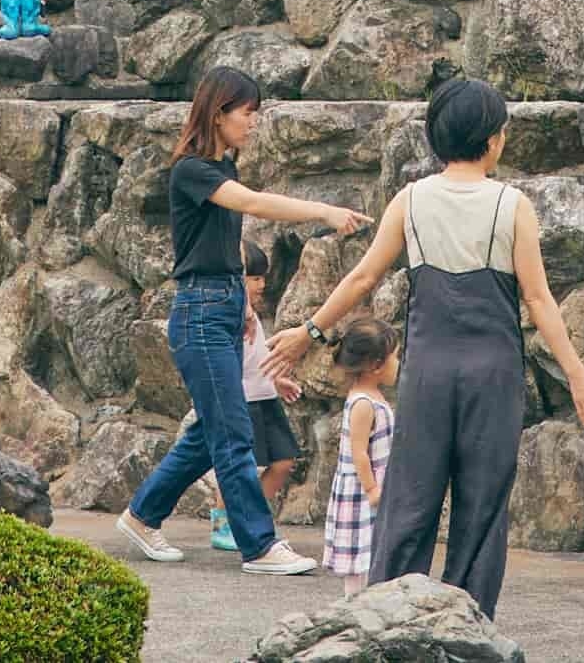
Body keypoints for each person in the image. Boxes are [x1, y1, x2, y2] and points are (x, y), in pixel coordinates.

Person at [263, 78, 584, 619]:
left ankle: (384, 623)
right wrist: (578, 374)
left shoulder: (411, 199)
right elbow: (539, 300)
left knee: (409, 501)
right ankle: (467, 629)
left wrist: (308, 332)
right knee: (481, 510)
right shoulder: (511, 205)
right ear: (494, 139)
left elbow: (361, 279)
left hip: (426, 373)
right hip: (493, 376)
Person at [119, 68, 369, 578]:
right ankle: (258, 545)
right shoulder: (192, 170)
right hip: (200, 313)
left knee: (209, 432)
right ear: (219, 113)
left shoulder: (221, 166)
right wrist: (323, 211)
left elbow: (227, 244)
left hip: (224, 308)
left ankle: (141, 516)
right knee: (233, 434)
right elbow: (253, 204)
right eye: (247, 113)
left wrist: (247, 310)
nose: (254, 123)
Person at [202, 242, 302, 554]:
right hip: (242, 399)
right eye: (253, 277)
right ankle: (224, 524)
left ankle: (250, 519)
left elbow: (256, 359)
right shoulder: (228, 317)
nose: (261, 284)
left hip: (264, 398)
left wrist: (276, 379)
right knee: (238, 465)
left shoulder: (252, 318)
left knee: (283, 461)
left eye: (262, 278)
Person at [322, 319, 399, 597]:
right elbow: (359, 453)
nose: (398, 363)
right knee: (360, 558)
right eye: (395, 357)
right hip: (363, 493)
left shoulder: (373, 396)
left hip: (374, 489)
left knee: (373, 552)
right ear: (376, 365)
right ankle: (354, 605)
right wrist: (372, 489)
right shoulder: (363, 403)